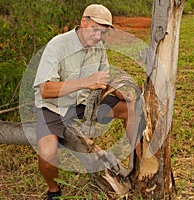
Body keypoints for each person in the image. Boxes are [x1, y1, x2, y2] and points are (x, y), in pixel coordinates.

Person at [33, 4, 138, 200]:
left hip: (84, 105)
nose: (98, 36)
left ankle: (138, 165)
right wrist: (86, 82)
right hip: (53, 108)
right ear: (83, 22)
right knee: (47, 156)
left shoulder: (98, 48)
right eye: (95, 29)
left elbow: (102, 80)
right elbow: (45, 90)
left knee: (129, 108)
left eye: (103, 32)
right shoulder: (58, 45)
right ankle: (53, 190)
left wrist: (121, 94)